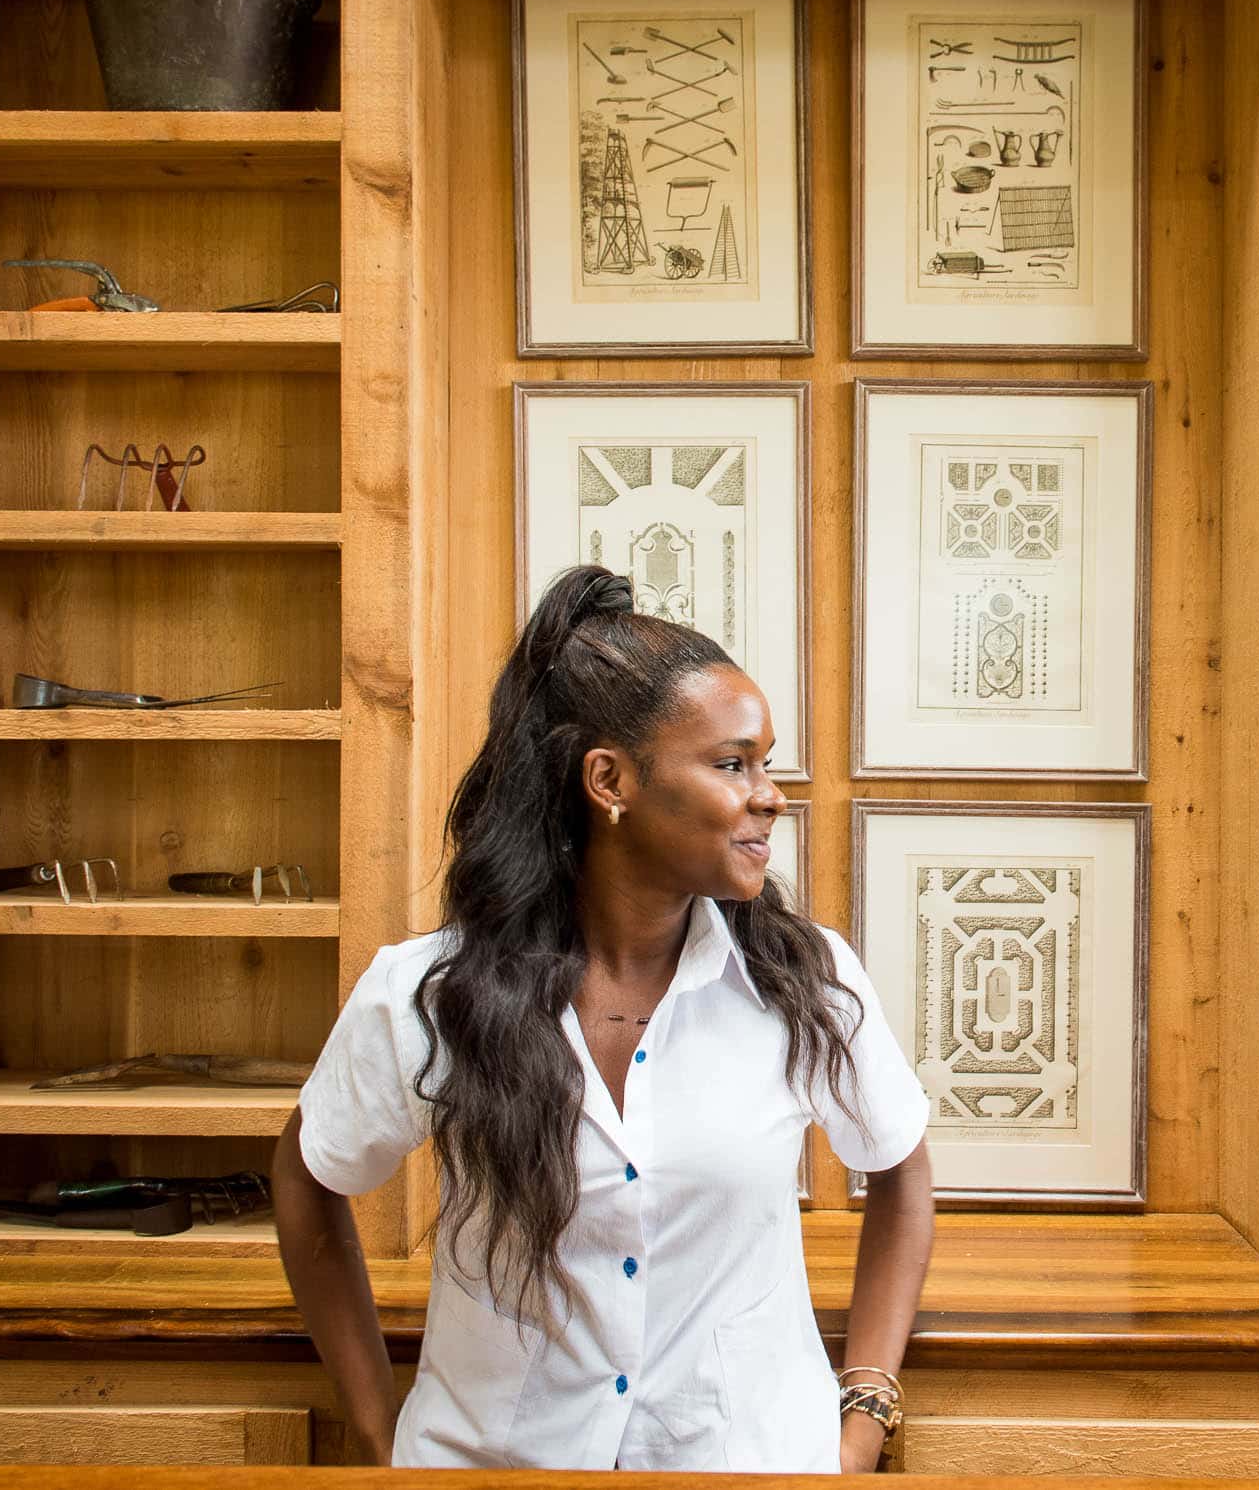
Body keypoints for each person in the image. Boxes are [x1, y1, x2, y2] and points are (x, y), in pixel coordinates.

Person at [274, 564, 936, 1471]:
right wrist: (377, 1428)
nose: (770, 794)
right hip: (492, 1469)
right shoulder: (429, 993)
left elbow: (901, 1173)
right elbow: (309, 1172)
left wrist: (861, 1419)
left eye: (765, 763)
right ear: (609, 780)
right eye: (731, 763)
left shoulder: (806, 980)